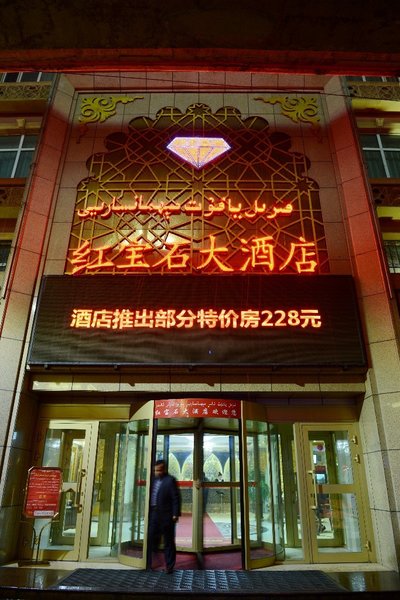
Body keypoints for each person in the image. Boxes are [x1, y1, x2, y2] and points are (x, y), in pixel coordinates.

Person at [147, 459, 181, 574]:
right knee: (151, 537)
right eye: (156, 470)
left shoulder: (170, 480)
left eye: (159, 470)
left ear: (164, 469)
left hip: (166, 516)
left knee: (168, 542)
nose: (157, 472)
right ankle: (151, 562)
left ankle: (169, 566)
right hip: (154, 514)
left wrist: (175, 514)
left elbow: (175, 498)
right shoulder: (153, 480)